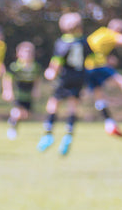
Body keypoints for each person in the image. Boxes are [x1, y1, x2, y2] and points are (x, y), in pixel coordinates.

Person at [37, 12, 89, 156]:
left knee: (53, 103)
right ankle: (68, 134)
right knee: (73, 106)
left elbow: (57, 60)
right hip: (79, 77)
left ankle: (48, 133)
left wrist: (51, 71)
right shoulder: (84, 41)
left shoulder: (63, 42)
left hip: (65, 78)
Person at [2, 41, 41, 140]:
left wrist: (36, 89)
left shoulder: (35, 67)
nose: (27, 55)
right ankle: (13, 126)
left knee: (27, 115)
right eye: (25, 52)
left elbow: (37, 78)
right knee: (18, 112)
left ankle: (13, 119)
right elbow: (7, 78)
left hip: (28, 94)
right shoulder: (15, 66)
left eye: (30, 53)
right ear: (18, 54)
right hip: (18, 93)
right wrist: (7, 91)